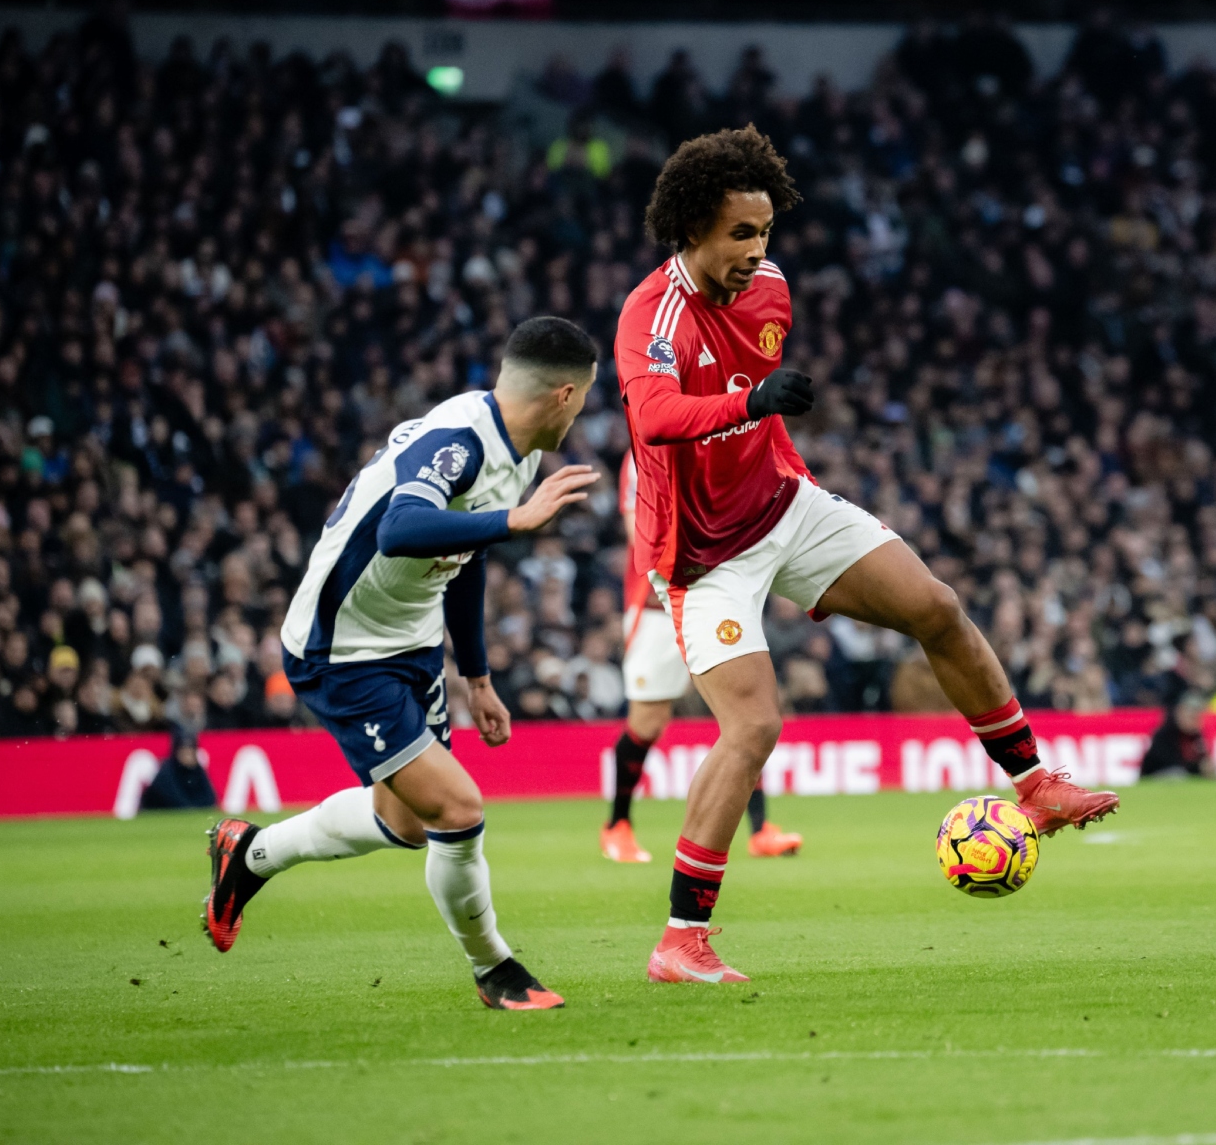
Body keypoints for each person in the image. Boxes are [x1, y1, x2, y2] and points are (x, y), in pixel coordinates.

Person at [616, 126, 1118, 985]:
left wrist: (766, 429)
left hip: (782, 504)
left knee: (936, 606)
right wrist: (748, 400)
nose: (758, 251)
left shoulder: (770, 289)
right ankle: (680, 940)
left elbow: (760, 415)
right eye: (742, 233)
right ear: (693, 226)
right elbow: (655, 414)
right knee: (755, 725)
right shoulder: (651, 313)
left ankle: (1033, 783)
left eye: (766, 232)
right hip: (703, 555)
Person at [201, 317, 604, 1011]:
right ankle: (496, 971)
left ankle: (249, 855)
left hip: (410, 641)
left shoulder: (522, 455)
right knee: (458, 809)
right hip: (344, 648)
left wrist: (476, 676)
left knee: (410, 821)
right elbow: (399, 529)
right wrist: (516, 521)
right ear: (565, 395)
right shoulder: (459, 442)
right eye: (586, 400)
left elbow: (465, 555)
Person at [602, 448, 802, 863]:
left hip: (716, 603)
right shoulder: (644, 455)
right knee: (647, 722)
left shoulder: (721, 445)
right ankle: (617, 825)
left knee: (744, 714)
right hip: (659, 608)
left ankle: (761, 830)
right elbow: (638, 533)